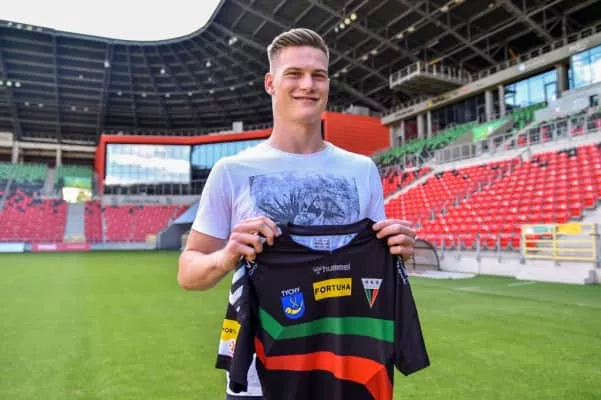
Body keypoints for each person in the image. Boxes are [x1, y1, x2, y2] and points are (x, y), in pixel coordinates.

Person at [178, 27, 416, 400]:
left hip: (349, 373)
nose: (308, 84)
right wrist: (227, 256)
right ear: (270, 83)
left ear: (328, 85)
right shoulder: (231, 171)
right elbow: (188, 272)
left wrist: (399, 250)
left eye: (318, 75)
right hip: (260, 383)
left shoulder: (362, 170)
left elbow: (376, 260)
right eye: (294, 74)